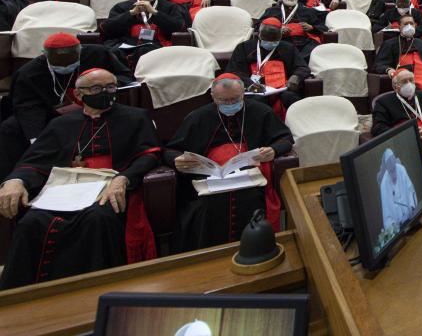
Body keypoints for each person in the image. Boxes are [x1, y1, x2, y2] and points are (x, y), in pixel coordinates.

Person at [0, 68, 160, 288]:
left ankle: (93, 289)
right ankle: (23, 294)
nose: (105, 92)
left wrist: (123, 179)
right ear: (79, 94)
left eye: (111, 87)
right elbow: (35, 161)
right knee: (31, 222)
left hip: (107, 189)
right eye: (96, 88)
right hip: (64, 189)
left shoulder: (135, 117)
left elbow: (149, 155)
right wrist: (16, 180)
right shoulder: (61, 124)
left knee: (97, 219)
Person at [164, 74, 293, 251]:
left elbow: (285, 138)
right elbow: (170, 150)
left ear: (243, 94)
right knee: (205, 207)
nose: (230, 104)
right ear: (212, 97)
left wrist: (273, 150)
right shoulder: (198, 117)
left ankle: (256, 250)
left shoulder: (260, 111)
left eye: (235, 99)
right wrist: (176, 160)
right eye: (223, 100)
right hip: (208, 182)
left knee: (251, 200)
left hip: (251, 178)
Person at [0, 32, 132, 184]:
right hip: (51, 116)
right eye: (59, 65)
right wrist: (36, 138)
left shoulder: (98, 54)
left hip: (99, 108)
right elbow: (27, 106)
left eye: (70, 63)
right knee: (9, 128)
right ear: (45, 56)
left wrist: (101, 91)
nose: (65, 67)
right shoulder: (29, 73)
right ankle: (15, 179)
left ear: (80, 51)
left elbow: (125, 77)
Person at [224, 18, 308, 115]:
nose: (270, 42)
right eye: (266, 39)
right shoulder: (244, 48)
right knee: (255, 103)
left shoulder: (288, 48)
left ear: (280, 36)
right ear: (259, 35)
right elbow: (234, 71)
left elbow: (302, 67)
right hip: (254, 90)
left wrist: (296, 77)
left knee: (292, 99)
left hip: (281, 90)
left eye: (274, 40)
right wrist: (249, 85)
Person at [101, 0, 189, 63]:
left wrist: (155, 13)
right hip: (125, 44)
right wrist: (131, 13)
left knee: (146, 51)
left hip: (157, 45)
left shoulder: (171, 7)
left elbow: (179, 28)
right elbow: (106, 28)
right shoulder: (122, 6)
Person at [372, 15, 422, 103]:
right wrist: (389, 70)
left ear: (415, 25)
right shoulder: (389, 44)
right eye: (405, 24)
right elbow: (379, 64)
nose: (409, 26)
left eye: (411, 23)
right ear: (399, 26)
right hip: (403, 78)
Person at [371, 70, 422, 146]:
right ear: (395, 87)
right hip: (403, 142)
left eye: (411, 80)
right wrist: (407, 133)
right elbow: (378, 128)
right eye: (404, 81)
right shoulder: (383, 102)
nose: (409, 84)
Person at [258, 0, 326, 61]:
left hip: (303, 43)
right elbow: (258, 26)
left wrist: (311, 27)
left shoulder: (308, 11)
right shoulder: (271, 11)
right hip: (280, 41)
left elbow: (322, 26)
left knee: (314, 49)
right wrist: (276, 30)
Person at [379, 148, 418, 231]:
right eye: (391, 171)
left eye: (394, 169)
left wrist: (412, 206)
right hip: (398, 226)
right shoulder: (384, 184)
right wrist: (392, 226)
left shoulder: (401, 169)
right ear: (387, 167)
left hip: (410, 217)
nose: (393, 172)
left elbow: (410, 189)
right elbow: (386, 212)